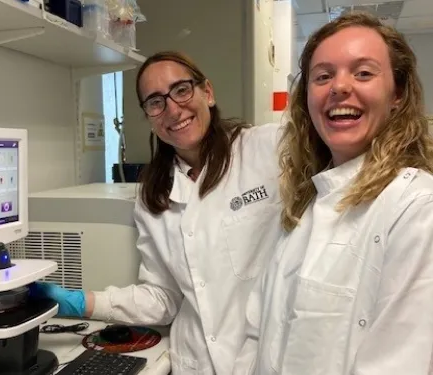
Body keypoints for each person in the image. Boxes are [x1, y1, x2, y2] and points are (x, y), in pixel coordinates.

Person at [31, 51, 283, 374]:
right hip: (196, 363)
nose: (172, 109)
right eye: (155, 102)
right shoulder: (154, 193)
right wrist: (81, 302)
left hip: (265, 359)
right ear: (149, 116)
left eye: (181, 90)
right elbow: (164, 297)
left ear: (207, 92)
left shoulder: (265, 149)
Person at [233, 11, 433, 375]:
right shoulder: (306, 204)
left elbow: (397, 365)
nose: (339, 87)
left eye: (363, 73)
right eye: (323, 76)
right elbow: (257, 330)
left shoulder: (416, 206)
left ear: (398, 95)